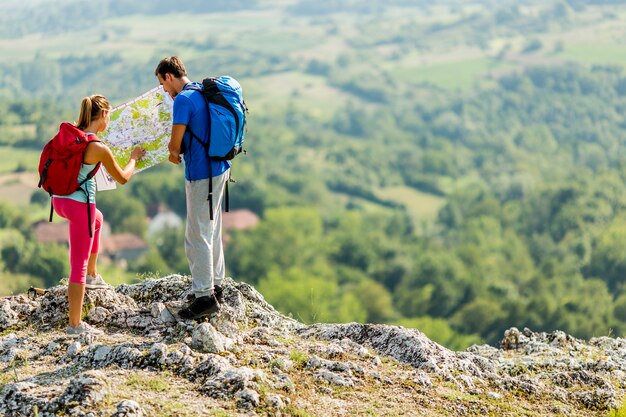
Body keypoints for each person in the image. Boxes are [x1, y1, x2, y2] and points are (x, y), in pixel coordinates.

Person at [53, 94, 145, 335]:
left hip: (59, 200)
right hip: (79, 206)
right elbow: (123, 178)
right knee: (77, 266)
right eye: (110, 115)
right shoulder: (97, 148)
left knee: (98, 219)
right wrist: (134, 159)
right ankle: (75, 325)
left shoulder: (71, 134)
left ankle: (93, 276)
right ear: (103, 114)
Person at [154, 56, 229, 320]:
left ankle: (204, 297)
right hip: (220, 168)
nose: (164, 90)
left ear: (169, 76)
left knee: (196, 235)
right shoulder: (201, 90)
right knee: (213, 228)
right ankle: (216, 284)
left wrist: (173, 154)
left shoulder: (184, 101)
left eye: (163, 84)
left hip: (200, 174)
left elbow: (175, 145)